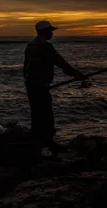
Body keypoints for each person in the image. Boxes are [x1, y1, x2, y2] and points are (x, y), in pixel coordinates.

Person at [23, 20, 87, 157]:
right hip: (40, 87)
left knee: (37, 115)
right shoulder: (45, 46)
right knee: (46, 115)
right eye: (50, 30)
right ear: (44, 31)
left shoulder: (31, 46)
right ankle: (48, 144)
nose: (52, 33)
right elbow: (61, 63)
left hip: (31, 85)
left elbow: (25, 68)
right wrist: (79, 75)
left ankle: (39, 143)